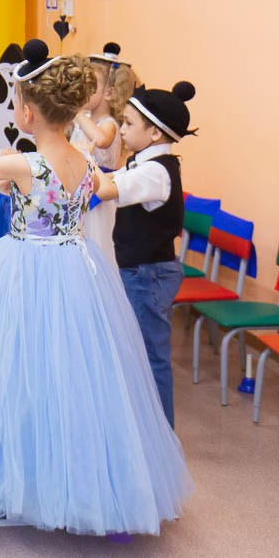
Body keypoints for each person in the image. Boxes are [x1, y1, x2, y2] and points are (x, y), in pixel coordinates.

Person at [0, 40, 192, 537]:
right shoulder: (87, 164)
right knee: (70, 370)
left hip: (23, 268)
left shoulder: (24, 165)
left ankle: (12, 469)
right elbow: (81, 193)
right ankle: (66, 469)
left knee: (12, 361)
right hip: (76, 270)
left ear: (28, 112)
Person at [94, 80, 196, 427]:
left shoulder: (155, 171)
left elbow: (108, 187)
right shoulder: (143, 162)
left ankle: (159, 432)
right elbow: (112, 176)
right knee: (137, 351)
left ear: (154, 133)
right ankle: (143, 426)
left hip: (149, 274)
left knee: (150, 356)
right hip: (140, 270)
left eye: (127, 124)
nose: (121, 130)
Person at [70, 42, 138, 268]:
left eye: (92, 86)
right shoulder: (85, 121)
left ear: (109, 93)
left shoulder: (108, 124)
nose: (84, 90)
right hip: (78, 192)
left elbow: (100, 140)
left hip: (100, 197)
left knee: (97, 247)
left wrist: (79, 116)